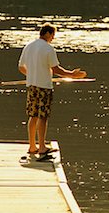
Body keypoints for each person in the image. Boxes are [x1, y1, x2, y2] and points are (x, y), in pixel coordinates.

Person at [18, 23, 87, 156]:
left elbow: (21, 67)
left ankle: (32, 146)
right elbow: (56, 70)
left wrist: (33, 74)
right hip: (44, 87)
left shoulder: (29, 46)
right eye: (53, 35)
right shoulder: (48, 49)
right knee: (43, 117)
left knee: (33, 115)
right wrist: (72, 74)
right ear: (48, 33)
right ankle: (42, 146)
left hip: (31, 85)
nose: (53, 38)